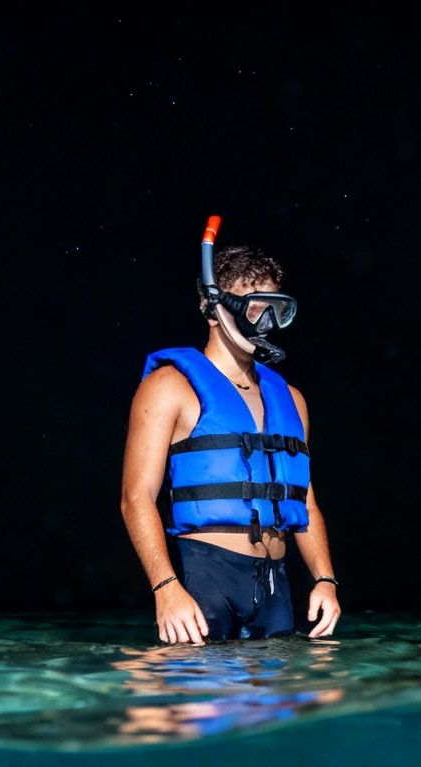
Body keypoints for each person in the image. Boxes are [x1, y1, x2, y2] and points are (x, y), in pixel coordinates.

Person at [121, 220, 342, 644]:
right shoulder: (169, 387)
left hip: (276, 588)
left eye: (272, 307)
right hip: (205, 578)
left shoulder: (291, 399)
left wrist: (326, 580)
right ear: (213, 308)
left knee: (280, 709)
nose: (263, 320)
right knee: (185, 708)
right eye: (252, 305)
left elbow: (305, 503)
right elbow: (135, 498)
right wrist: (166, 588)